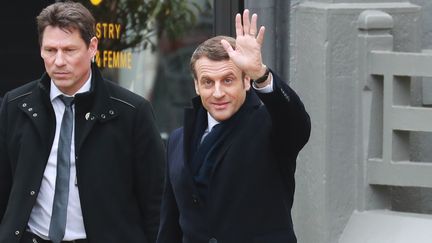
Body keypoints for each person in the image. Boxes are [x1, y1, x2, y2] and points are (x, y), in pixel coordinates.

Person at [0, 2, 165, 243]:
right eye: (50, 50)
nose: (58, 61)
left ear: (93, 47)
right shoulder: (15, 105)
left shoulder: (132, 112)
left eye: (69, 50)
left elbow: (155, 203)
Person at [157, 9, 311, 243]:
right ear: (197, 86)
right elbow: (170, 224)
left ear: (246, 81)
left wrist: (261, 73)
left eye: (227, 80)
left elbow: (297, 123)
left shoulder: (269, 125)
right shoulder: (178, 140)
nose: (218, 93)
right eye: (208, 82)